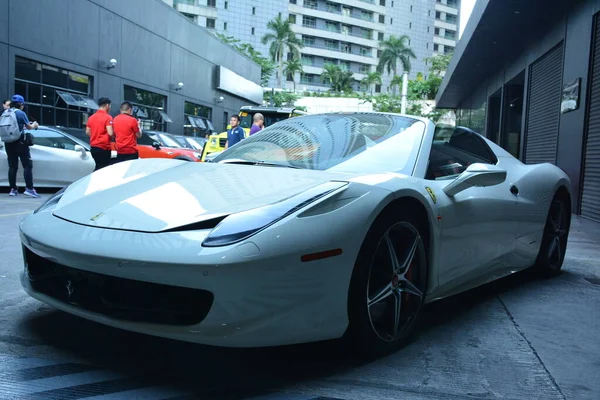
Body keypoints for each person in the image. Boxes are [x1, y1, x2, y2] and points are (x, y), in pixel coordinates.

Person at [0, 95, 40, 197]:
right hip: (20, 142)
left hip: (8, 143)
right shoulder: (20, 113)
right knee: (27, 165)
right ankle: (29, 189)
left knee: (12, 167)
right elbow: (29, 127)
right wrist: (35, 124)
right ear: (21, 104)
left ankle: (13, 189)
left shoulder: (4, 113)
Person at [86, 97, 114, 171]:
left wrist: (96, 136)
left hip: (94, 147)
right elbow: (110, 133)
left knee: (98, 166)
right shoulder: (108, 117)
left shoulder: (91, 117)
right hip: (104, 147)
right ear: (107, 105)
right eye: (110, 106)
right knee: (103, 169)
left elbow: (87, 132)